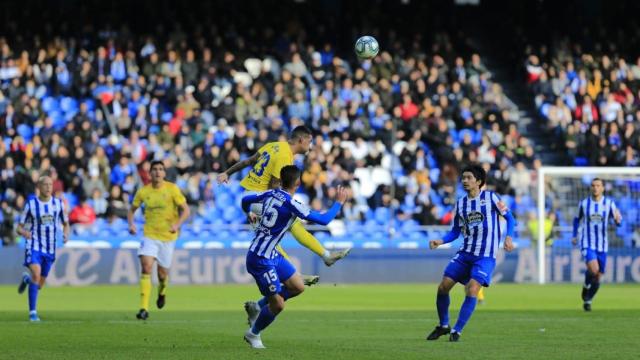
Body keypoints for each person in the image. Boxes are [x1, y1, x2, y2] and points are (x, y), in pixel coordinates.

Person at [217, 125, 350, 283]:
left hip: (250, 196)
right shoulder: (284, 157)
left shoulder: (273, 146)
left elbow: (249, 161)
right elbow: (274, 187)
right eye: (309, 141)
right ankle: (307, 266)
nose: (310, 145)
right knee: (284, 228)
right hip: (258, 198)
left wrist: (227, 173)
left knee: (284, 228)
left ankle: (318, 260)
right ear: (301, 140)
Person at [240, 165, 350, 349]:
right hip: (260, 259)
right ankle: (253, 333)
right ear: (297, 183)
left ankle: (258, 307)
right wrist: (339, 203)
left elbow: (245, 200)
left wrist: (249, 213)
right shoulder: (292, 204)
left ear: (281, 180)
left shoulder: (269, 194)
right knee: (278, 306)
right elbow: (324, 220)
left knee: (298, 286)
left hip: (271, 253)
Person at [426, 165, 515, 342]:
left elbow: (510, 218)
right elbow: (455, 231)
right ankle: (444, 325)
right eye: (463, 177)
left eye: (469, 178)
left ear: (479, 181)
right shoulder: (461, 203)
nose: (465, 181)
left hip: (485, 256)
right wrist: (441, 241)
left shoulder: (491, 198)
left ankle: (457, 330)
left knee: (473, 289)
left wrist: (509, 237)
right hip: (465, 253)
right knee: (443, 287)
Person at [128, 160, 190, 320]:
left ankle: (162, 291)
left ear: (164, 173)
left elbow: (186, 210)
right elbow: (131, 210)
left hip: (168, 237)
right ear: (150, 173)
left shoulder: (172, 189)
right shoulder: (143, 191)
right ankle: (143, 308)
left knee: (162, 275)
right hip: (149, 235)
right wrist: (131, 224)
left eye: (161, 169)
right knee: (146, 267)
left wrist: (177, 224)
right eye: (154, 169)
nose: (157, 172)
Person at [16, 174, 70, 322]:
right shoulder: (31, 205)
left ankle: (27, 280)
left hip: (50, 248)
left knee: (38, 284)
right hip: (34, 245)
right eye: (45, 184)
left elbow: (66, 224)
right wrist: (24, 232)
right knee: (36, 273)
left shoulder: (58, 204)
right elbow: (18, 228)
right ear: (39, 187)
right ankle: (32, 313)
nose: (48, 187)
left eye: (50, 185)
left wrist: (66, 235)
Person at [572, 178, 621, 311]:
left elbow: (618, 221)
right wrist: (574, 235)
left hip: (602, 245)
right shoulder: (584, 204)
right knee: (594, 269)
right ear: (590, 188)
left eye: (598, 186)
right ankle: (586, 285)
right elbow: (577, 219)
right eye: (593, 185)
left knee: (598, 276)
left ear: (603, 188)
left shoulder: (609, 203)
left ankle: (588, 300)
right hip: (587, 242)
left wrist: (618, 220)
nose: (595, 188)